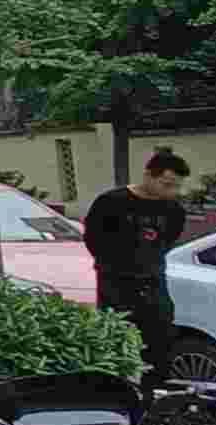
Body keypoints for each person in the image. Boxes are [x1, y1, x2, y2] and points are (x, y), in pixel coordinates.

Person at [82, 150, 192, 372]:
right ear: (148, 175)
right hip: (116, 283)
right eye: (166, 184)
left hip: (153, 283)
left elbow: (168, 240)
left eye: (176, 186)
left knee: (159, 342)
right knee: (118, 340)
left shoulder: (173, 210)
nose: (171, 191)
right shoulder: (111, 202)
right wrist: (115, 263)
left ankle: (156, 386)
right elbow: (93, 238)